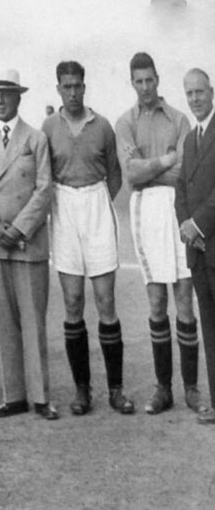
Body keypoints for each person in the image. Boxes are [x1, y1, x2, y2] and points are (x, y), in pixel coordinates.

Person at [41, 61, 136, 416]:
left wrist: (94, 202)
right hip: (64, 206)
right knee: (73, 300)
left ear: (85, 85)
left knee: (105, 298)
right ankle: (82, 389)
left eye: (78, 85)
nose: (73, 92)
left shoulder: (104, 126)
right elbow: (44, 173)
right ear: (58, 89)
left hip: (96, 202)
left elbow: (114, 178)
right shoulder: (49, 127)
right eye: (66, 86)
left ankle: (116, 388)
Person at [115, 52, 203, 415]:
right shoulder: (125, 122)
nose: (146, 87)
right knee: (156, 302)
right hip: (145, 211)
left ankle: (192, 389)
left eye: (150, 79)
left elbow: (186, 174)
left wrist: (151, 168)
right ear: (132, 82)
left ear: (158, 79)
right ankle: (163, 388)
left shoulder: (180, 119)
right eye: (139, 81)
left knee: (184, 299)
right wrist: (165, 160)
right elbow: (131, 175)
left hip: (178, 209)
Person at [0, 69, 58, 420]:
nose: (0, 101)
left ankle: (40, 397)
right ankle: (15, 395)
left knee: (33, 322)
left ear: (19, 98)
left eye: (6, 94)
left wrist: (19, 229)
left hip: (27, 243)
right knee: (4, 323)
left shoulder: (35, 139)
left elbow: (44, 189)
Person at [176, 67, 215, 424]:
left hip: (213, 242)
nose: (194, 99)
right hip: (198, 251)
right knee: (209, 326)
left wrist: (198, 224)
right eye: (189, 94)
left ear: (212, 92)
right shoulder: (190, 139)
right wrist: (186, 227)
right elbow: (181, 192)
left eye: (200, 92)